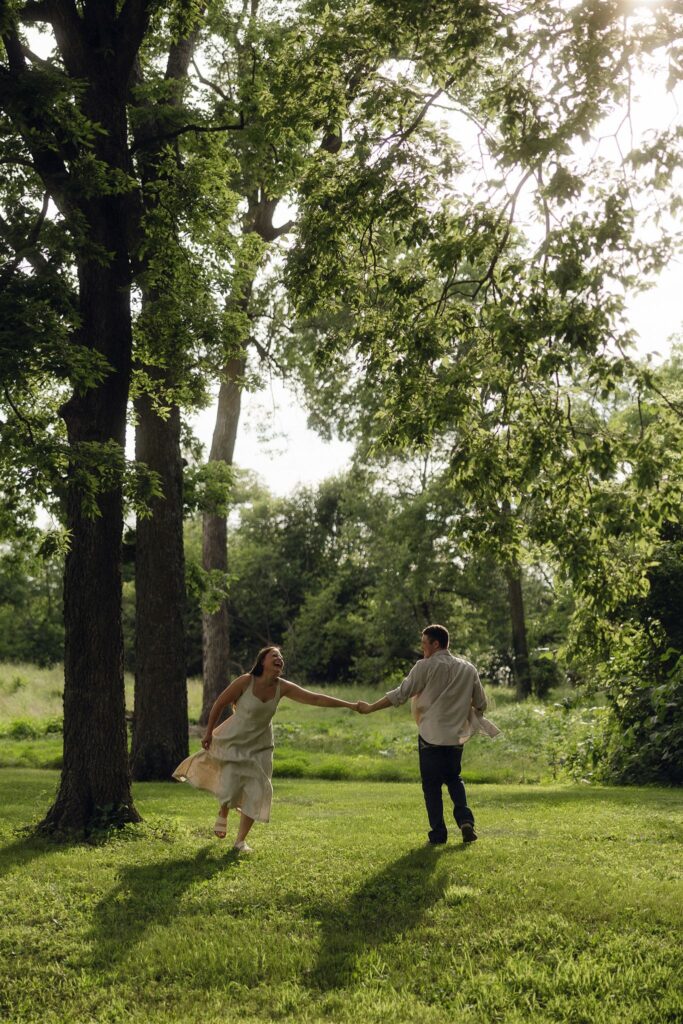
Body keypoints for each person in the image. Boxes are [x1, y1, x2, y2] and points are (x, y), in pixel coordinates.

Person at [173, 646, 359, 853]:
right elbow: (219, 703)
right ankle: (223, 810)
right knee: (231, 783)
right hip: (235, 739)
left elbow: (315, 698)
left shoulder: (283, 687)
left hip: (261, 745)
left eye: (281, 657)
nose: (280, 659)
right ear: (262, 661)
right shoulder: (245, 681)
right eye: (274, 656)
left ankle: (240, 841)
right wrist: (208, 733)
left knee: (259, 788)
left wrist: (350, 705)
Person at [358, 624, 499, 845]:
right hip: (455, 736)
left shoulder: (424, 666)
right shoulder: (468, 668)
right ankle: (465, 821)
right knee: (454, 778)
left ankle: (438, 833)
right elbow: (481, 703)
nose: (422, 647)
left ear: (436, 643)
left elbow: (401, 694)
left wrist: (370, 708)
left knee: (431, 785)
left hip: (430, 734)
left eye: (424, 643)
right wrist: (466, 711)